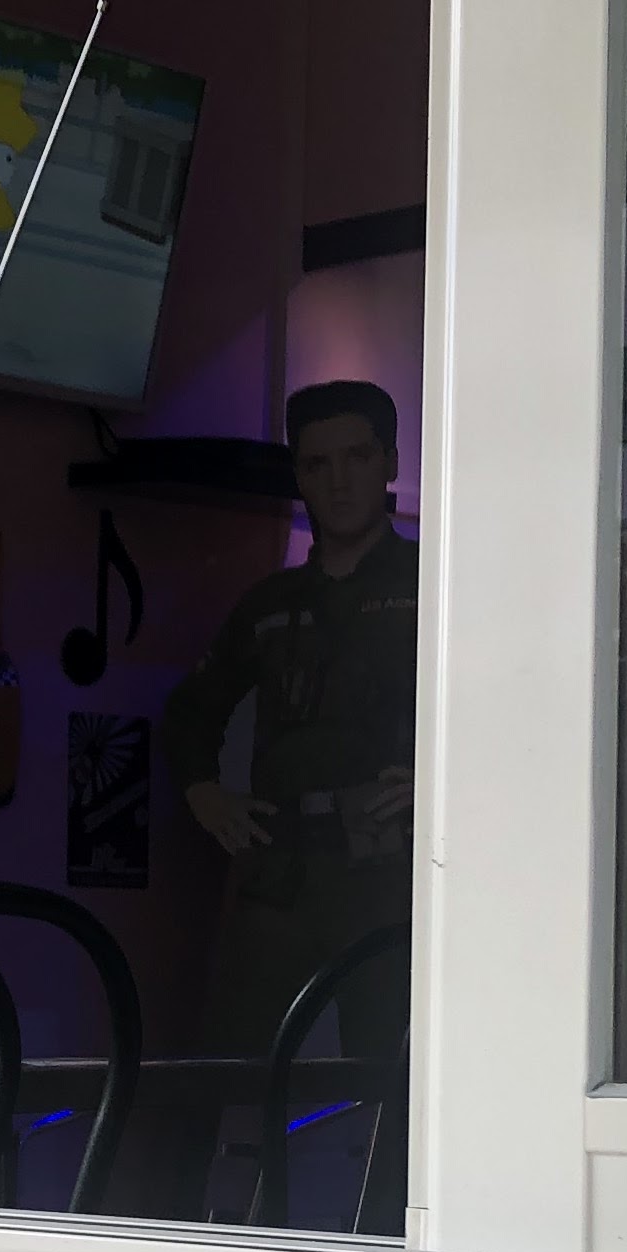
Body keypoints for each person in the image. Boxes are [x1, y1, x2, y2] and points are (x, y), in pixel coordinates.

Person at [159, 377, 420, 1091]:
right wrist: (204, 792)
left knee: (390, 1083)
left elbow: (501, 713)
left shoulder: (433, 586)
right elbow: (190, 710)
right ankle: (214, 1173)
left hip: (385, 871)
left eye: (358, 456)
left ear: (391, 462)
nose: (339, 481)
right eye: (317, 463)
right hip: (280, 870)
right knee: (227, 1075)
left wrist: (442, 783)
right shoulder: (272, 602)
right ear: (299, 475)